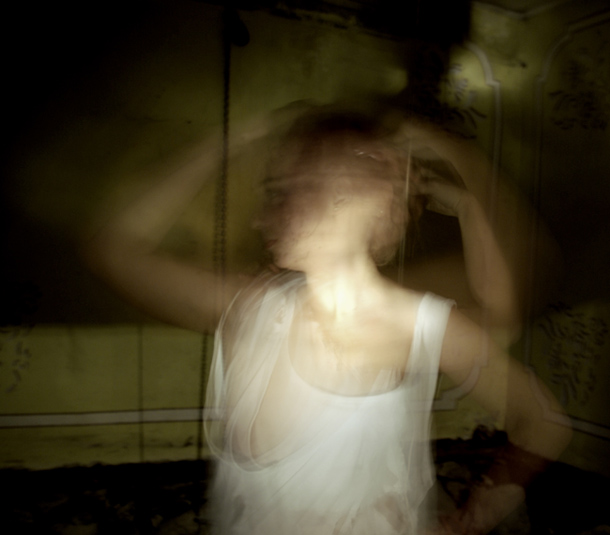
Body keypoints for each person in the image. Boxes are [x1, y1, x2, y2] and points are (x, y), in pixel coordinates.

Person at [82, 105, 571, 535]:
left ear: (370, 197)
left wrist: (475, 517)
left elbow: (541, 420)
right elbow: (114, 247)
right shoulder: (250, 305)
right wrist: (232, 137)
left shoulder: (418, 325)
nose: (265, 216)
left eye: (299, 189)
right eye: (275, 192)